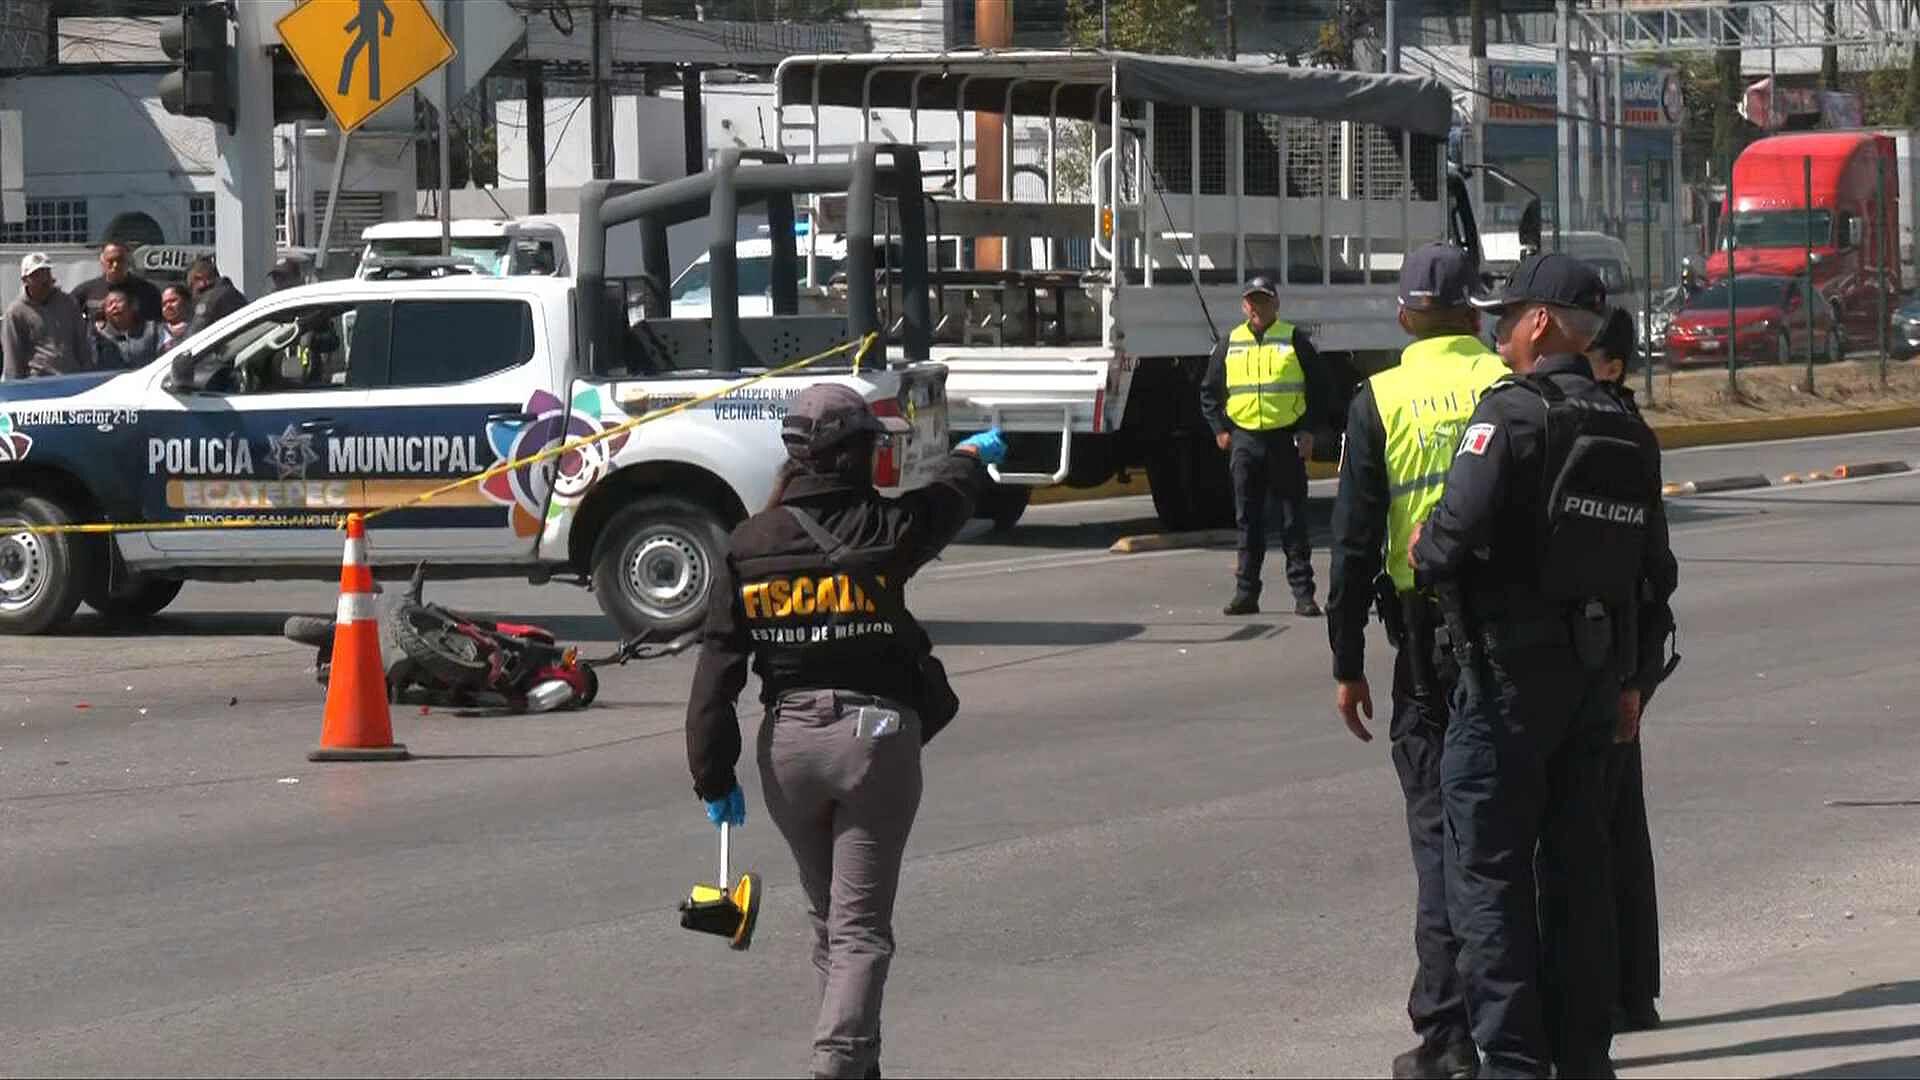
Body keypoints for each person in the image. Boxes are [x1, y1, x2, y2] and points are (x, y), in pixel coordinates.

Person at [685, 383, 1006, 1080]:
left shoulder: (748, 543)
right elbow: (943, 504)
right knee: (860, 931)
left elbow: (717, 669)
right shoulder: (883, 531)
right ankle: (837, 1064)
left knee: (832, 924)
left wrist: (713, 776)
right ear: (857, 453)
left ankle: (859, 1065)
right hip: (874, 741)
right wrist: (971, 460)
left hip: (790, 751)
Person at [1409, 253, 1672, 1078]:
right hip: (1594, 685)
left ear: (1544, 324)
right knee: (1578, 876)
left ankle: (1514, 1064)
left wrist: (1426, 546)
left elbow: (1445, 540)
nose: (1498, 326)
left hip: (1503, 686)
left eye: (1509, 312)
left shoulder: (1513, 417)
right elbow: (1652, 576)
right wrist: (1631, 682)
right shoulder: (1629, 427)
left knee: (1486, 882)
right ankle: (1584, 1059)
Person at [1326, 243, 1512, 1080]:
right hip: (1519, 642)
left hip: (1427, 647)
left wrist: (1345, 662)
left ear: (1405, 315)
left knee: (1440, 835)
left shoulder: (1380, 398)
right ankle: (1520, 1026)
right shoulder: (1512, 387)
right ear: (1476, 312)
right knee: (1511, 839)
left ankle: (1447, 1033)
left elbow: (1354, 546)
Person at [1585, 304, 1677, 1036]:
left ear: (1611, 363)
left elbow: (1651, 570)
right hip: (1620, 659)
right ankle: (1628, 990)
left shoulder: (1611, 434)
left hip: (1608, 659)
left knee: (1601, 828)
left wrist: (1636, 677)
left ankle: (1619, 990)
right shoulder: (1619, 429)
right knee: (1616, 825)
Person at [1199, 275, 1328, 617]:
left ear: (1276, 304)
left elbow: (1320, 387)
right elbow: (1209, 391)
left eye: (1264, 300)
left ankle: (1303, 595)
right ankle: (1246, 594)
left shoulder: (1293, 339)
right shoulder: (1231, 342)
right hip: (1245, 441)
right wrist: (1219, 430)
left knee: (1292, 520)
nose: (1257, 307)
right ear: (1244, 305)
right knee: (1248, 521)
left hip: (1284, 441)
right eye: (1251, 301)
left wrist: (1308, 430)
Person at [3, 252, 94, 380]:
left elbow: (82, 343)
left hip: (73, 379)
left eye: (47, 272)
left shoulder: (68, 302)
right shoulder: (15, 312)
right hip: (37, 384)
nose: (44, 279)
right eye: (37, 275)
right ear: (25, 280)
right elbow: (12, 356)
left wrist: (88, 376)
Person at [71, 240, 164, 325]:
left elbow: (160, 326)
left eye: (120, 260)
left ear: (128, 262)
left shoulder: (148, 291)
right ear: (102, 262)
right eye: (110, 261)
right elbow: (67, 318)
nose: (115, 265)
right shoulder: (85, 291)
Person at [92, 285, 166, 369]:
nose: (114, 307)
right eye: (109, 304)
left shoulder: (153, 329)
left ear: (134, 305)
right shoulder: (100, 336)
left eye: (118, 302)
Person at [186, 256, 248, 334]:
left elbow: (194, 336)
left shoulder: (209, 300)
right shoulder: (231, 292)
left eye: (191, 286)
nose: (193, 294)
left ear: (201, 279)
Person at [159, 284, 194, 352]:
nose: (168, 306)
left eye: (173, 301)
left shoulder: (200, 326)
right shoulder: (156, 332)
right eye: (164, 304)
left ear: (187, 302)